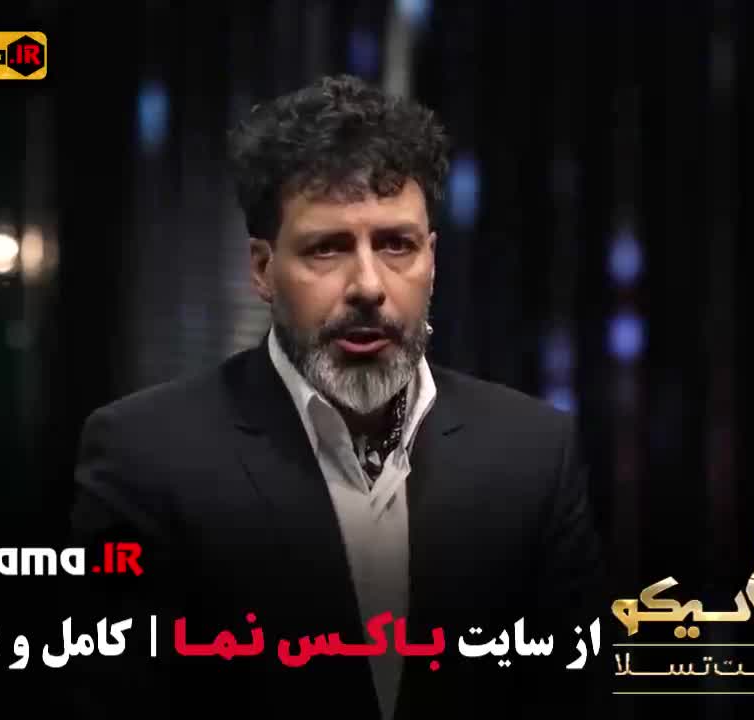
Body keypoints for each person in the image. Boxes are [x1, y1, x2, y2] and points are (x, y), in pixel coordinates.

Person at [67, 75, 608, 719]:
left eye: (397, 245)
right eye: (327, 248)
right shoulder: (146, 457)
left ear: (432, 259)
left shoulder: (534, 456)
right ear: (263, 269)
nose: (368, 286)